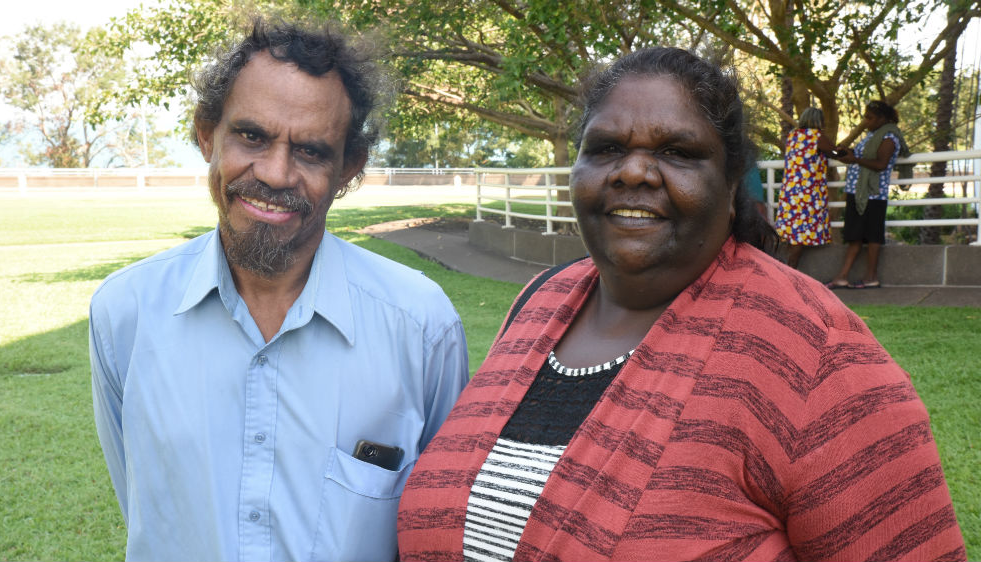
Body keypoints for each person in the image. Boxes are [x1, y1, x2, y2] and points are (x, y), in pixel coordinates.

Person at [397, 48, 965, 561]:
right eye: (607, 148)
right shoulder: (537, 302)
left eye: (677, 152)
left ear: (729, 186)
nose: (633, 171)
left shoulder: (819, 355)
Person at [89, 19, 469, 561]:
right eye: (251, 136)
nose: (274, 173)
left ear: (349, 169)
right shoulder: (125, 312)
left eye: (311, 151)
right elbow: (144, 503)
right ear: (206, 135)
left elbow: (438, 527)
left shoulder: (421, 326)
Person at [826, 100, 909, 289]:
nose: (866, 121)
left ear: (882, 118)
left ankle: (871, 276)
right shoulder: (873, 135)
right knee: (854, 235)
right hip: (858, 192)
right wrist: (848, 153)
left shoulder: (889, 137)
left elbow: (880, 164)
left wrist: (854, 159)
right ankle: (842, 276)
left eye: (870, 118)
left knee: (873, 237)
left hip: (874, 194)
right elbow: (864, 156)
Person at [775, 106, 834, 268]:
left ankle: (783, 273)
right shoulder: (817, 136)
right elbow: (833, 152)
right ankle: (789, 276)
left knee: (791, 237)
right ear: (818, 120)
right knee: (798, 240)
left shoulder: (793, 136)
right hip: (807, 195)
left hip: (790, 192)